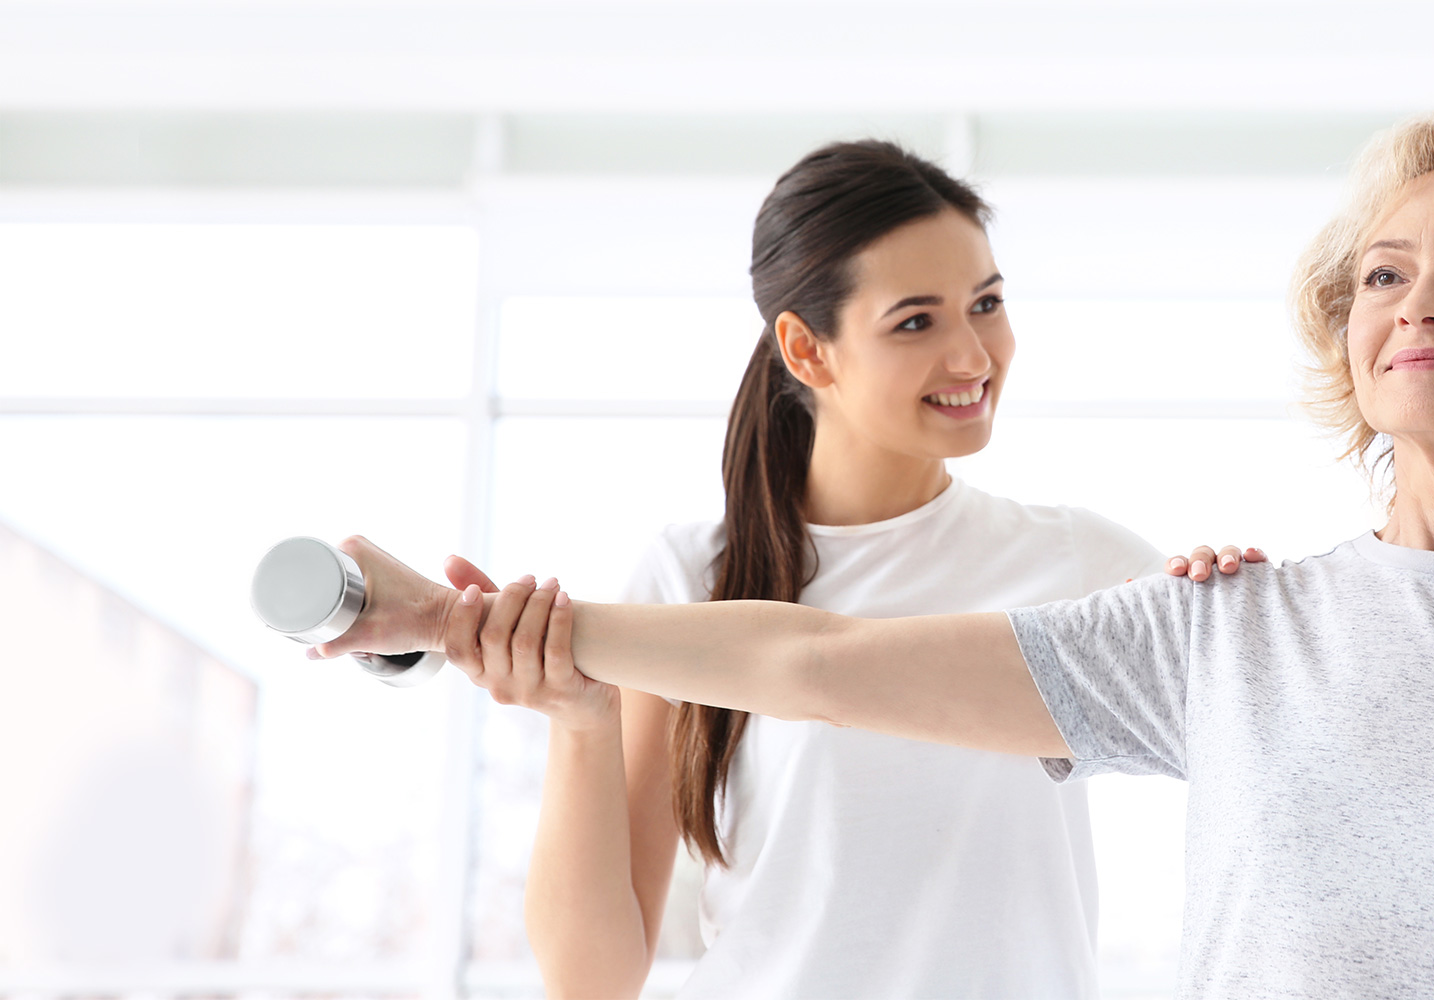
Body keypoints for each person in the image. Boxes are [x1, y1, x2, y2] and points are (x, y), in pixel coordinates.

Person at [325, 112, 1434, 999]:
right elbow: (811, 658)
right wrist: (459, 624)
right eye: (1382, 274)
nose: (1421, 304)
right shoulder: (1223, 630)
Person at [421, 139, 1223, 999]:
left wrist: (1223, 602)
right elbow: (592, 981)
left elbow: (1251, 721)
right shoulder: (692, 576)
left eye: (986, 304)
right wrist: (580, 719)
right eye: (915, 322)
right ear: (806, 350)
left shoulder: (1078, 560)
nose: (973, 356)